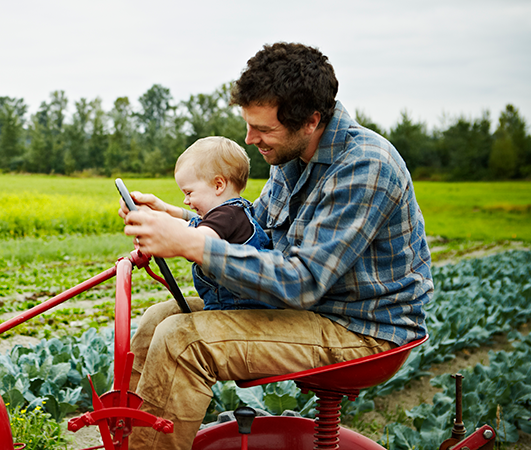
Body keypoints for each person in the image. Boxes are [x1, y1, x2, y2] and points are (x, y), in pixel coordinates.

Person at [119, 42, 432, 450]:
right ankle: (127, 441)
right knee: (156, 321)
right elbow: (253, 227)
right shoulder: (292, 157)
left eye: (263, 130)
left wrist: (193, 244)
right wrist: (179, 219)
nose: (250, 140)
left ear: (310, 121)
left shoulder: (366, 167)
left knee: (184, 342)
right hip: (309, 310)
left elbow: (302, 281)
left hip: (360, 327)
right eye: (249, 125)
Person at [172, 136, 274, 311]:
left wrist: (164, 231)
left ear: (218, 185)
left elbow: (198, 242)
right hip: (227, 306)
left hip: (241, 311)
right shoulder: (229, 213)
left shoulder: (228, 215)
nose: (185, 201)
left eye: (189, 193)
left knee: (175, 329)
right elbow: (196, 225)